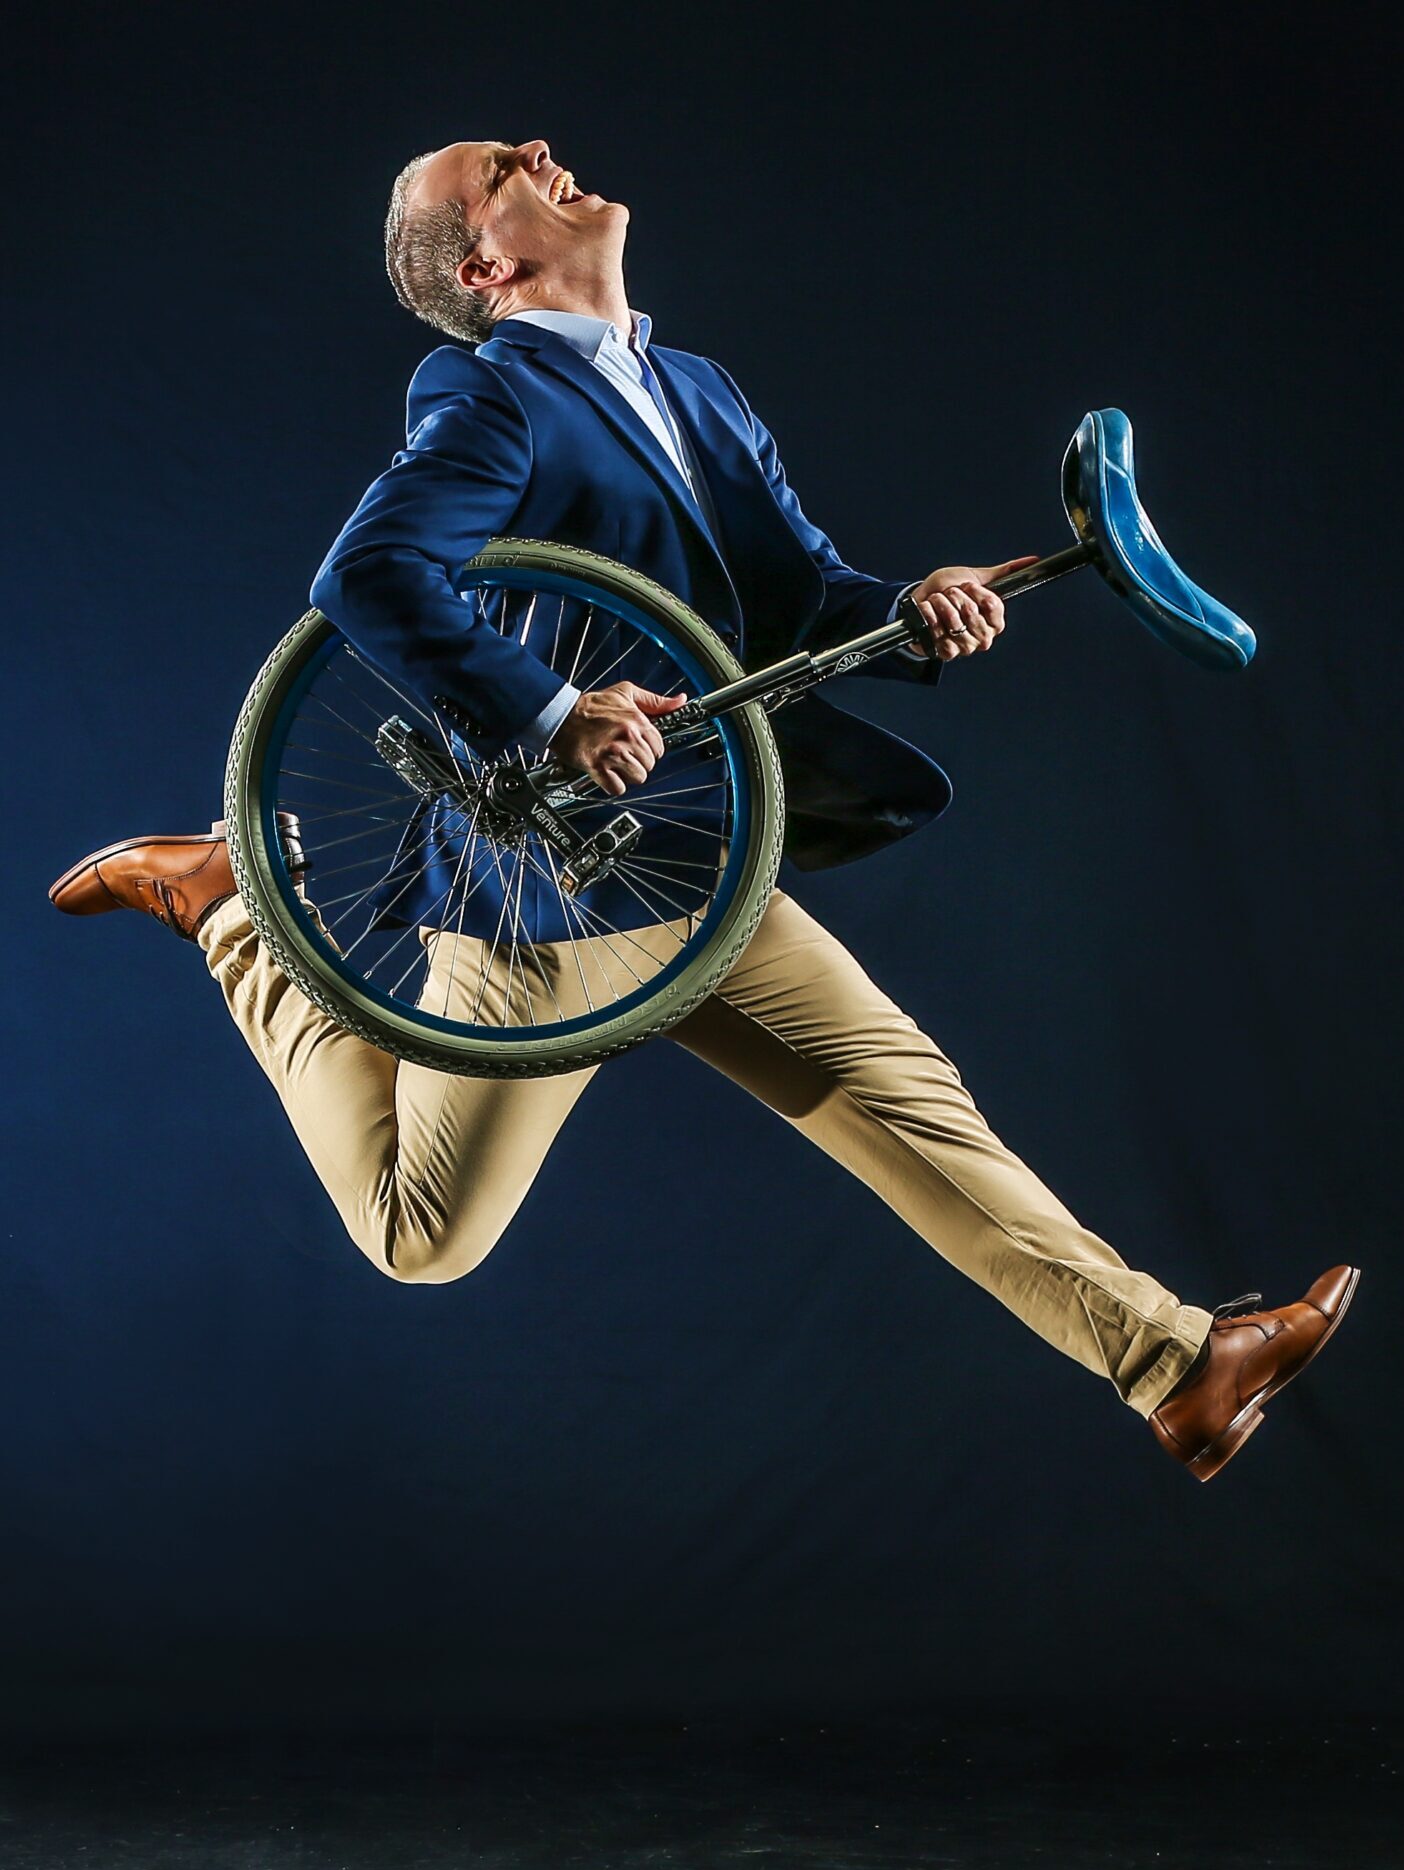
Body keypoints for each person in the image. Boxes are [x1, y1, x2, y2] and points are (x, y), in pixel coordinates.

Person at [49, 139, 1357, 1483]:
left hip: (702, 862)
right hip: (550, 886)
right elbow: (371, 572)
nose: (544, 151)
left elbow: (798, 596)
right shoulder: (492, 392)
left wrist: (916, 612)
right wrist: (557, 711)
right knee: (420, 1235)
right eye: (505, 166)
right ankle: (231, 909)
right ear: (488, 266)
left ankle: (1181, 1367)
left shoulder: (698, 389)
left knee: (913, 1105)